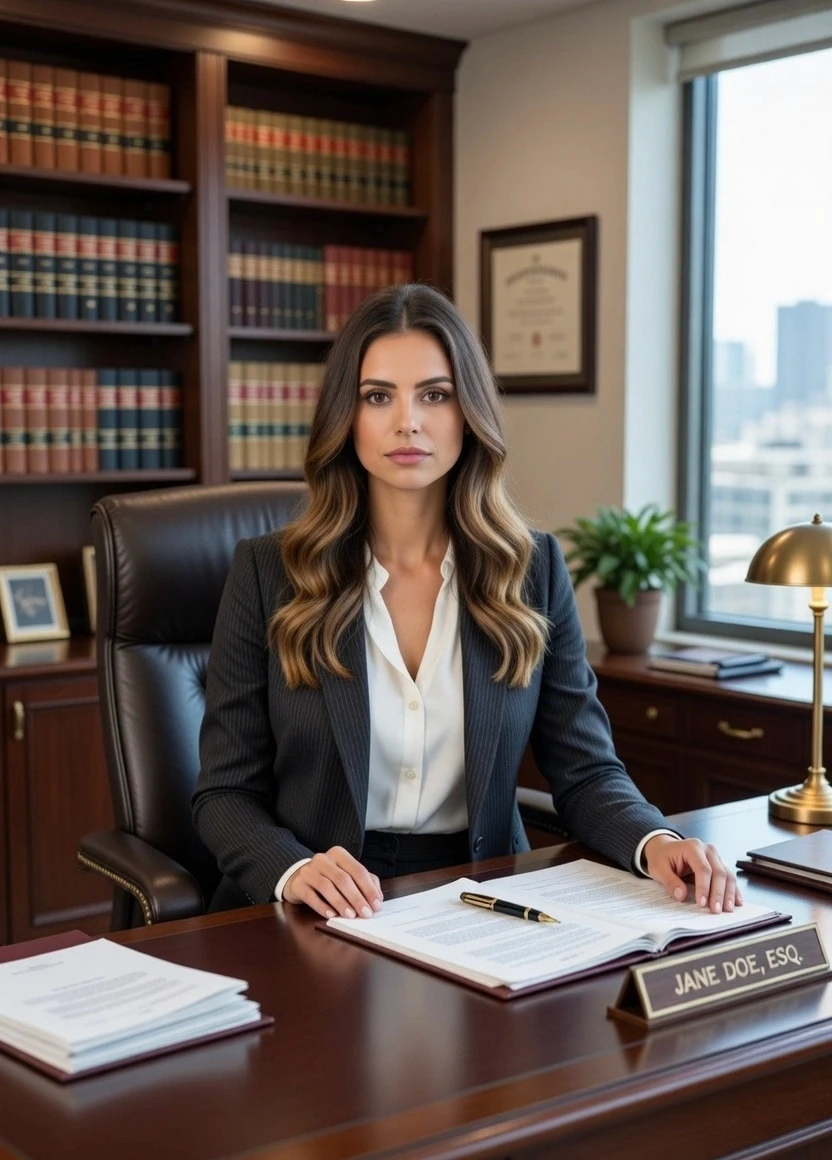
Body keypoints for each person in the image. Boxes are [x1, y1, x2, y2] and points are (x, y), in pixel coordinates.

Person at [193, 283, 740, 921]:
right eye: (377, 396)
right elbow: (224, 793)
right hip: (320, 903)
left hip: (481, 897)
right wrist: (292, 869)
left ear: (468, 412)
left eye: (435, 394)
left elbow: (587, 770)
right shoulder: (269, 573)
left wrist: (657, 842)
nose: (408, 422)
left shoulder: (532, 571)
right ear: (347, 415)